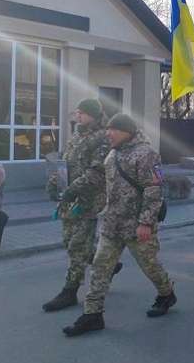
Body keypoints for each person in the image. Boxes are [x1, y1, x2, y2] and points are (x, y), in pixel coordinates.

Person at [63, 114, 175, 337]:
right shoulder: (112, 155)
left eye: (113, 130)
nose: (108, 133)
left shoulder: (147, 154)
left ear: (127, 132)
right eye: (108, 129)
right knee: (100, 267)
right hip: (112, 224)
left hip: (136, 226)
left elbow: (154, 191)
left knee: (150, 266)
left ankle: (166, 293)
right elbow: (103, 184)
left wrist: (145, 223)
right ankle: (92, 315)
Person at [43, 99, 119, 313]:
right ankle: (108, 265)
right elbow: (64, 165)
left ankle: (70, 290)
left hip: (88, 200)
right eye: (77, 112)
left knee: (77, 245)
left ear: (93, 116)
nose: (78, 116)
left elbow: (97, 172)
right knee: (69, 241)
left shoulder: (102, 138)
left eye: (82, 113)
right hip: (69, 198)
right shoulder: (76, 136)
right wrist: (54, 184)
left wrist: (73, 189)